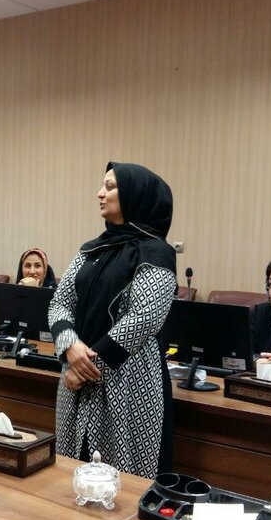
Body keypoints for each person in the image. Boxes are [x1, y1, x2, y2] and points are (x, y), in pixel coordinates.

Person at [49, 162, 177, 479]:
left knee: (123, 482)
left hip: (128, 382)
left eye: (110, 186)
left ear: (135, 195)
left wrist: (84, 369)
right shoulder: (92, 250)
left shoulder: (156, 252)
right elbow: (60, 302)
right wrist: (70, 347)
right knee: (71, 475)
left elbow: (144, 318)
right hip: (76, 375)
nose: (100, 193)